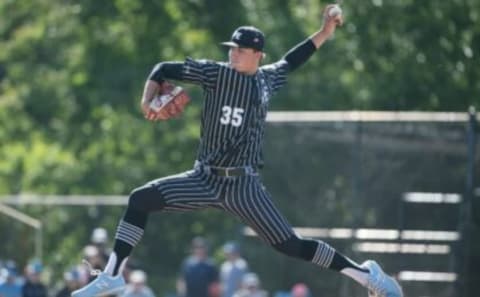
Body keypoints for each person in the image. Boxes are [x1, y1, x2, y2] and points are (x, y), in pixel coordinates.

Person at [71, 4, 403, 297]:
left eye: (241, 50)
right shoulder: (215, 73)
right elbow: (162, 69)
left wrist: (325, 31)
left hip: (244, 186)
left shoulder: (267, 79)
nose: (233, 53)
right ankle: (112, 275)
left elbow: (294, 58)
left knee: (291, 245)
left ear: (258, 54)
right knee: (139, 199)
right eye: (232, 47)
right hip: (203, 178)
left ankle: (366, 275)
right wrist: (147, 100)